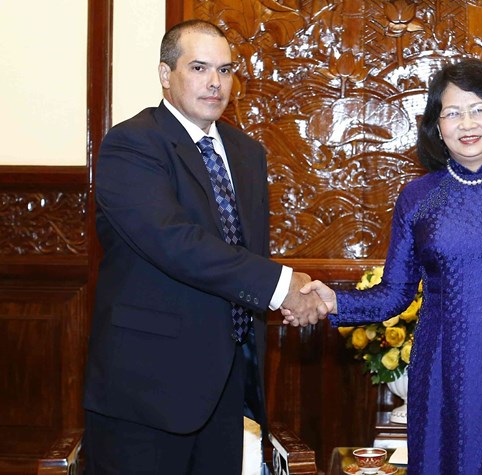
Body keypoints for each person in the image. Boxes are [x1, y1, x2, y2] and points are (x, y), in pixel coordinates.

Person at [286, 58, 482, 474]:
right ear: (436, 125)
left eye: (480, 109)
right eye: (453, 112)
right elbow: (394, 293)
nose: (468, 123)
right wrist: (334, 301)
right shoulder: (417, 196)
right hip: (441, 374)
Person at [83, 19, 327, 475]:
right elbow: (176, 242)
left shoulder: (247, 152)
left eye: (226, 69)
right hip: (146, 392)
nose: (215, 82)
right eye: (199, 67)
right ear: (165, 73)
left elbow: (245, 253)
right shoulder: (132, 144)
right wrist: (282, 287)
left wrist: (289, 292)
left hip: (225, 385)